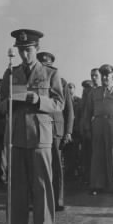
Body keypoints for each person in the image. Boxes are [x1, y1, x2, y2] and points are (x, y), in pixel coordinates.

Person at [0, 29, 64, 224]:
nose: (24, 55)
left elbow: (59, 104)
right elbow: (0, 105)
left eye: (28, 50)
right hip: (16, 136)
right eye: (21, 50)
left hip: (40, 136)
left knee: (42, 185)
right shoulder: (10, 73)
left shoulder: (50, 73)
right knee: (17, 186)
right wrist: (9, 102)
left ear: (36, 49)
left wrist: (38, 99)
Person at [84, 64, 113, 195]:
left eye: (107, 74)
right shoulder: (94, 92)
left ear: (112, 76)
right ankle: (97, 185)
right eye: (103, 74)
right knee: (97, 155)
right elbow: (87, 112)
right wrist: (87, 128)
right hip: (98, 123)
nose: (105, 77)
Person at [37, 51, 74, 211]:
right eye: (42, 64)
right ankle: (40, 200)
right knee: (39, 166)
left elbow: (69, 111)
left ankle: (58, 200)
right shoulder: (34, 82)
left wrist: (68, 132)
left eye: (48, 64)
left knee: (57, 166)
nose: (46, 67)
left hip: (56, 129)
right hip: (39, 128)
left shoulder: (62, 82)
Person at [64, 82, 82, 180]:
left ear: (74, 89)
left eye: (71, 87)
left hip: (76, 130)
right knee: (67, 153)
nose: (69, 89)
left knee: (76, 152)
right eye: (68, 87)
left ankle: (76, 173)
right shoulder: (63, 100)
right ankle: (68, 173)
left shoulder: (78, 101)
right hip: (66, 130)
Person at [79, 79, 93, 184]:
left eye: (88, 88)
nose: (86, 90)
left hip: (93, 132)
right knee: (85, 157)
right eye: (85, 88)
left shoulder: (94, 100)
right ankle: (86, 178)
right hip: (83, 133)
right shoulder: (81, 101)